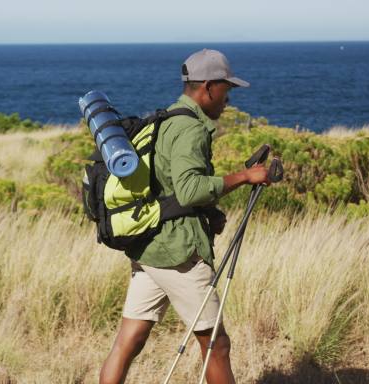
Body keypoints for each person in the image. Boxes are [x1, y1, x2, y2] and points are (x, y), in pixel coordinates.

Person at [99, 49, 271, 384]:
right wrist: (245, 177)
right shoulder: (191, 129)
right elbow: (190, 189)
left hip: (150, 246)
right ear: (207, 87)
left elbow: (169, 187)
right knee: (216, 346)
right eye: (226, 89)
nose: (228, 98)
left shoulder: (167, 119)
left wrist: (211, 213)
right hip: (178, 254)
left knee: (128, 341)